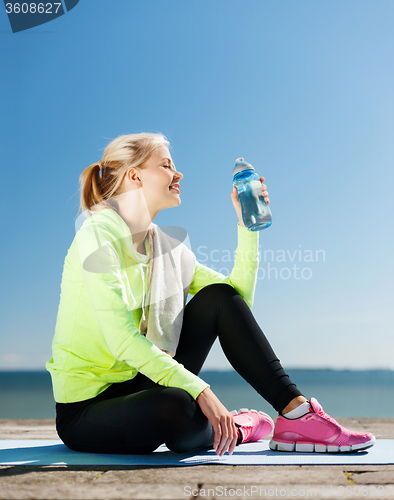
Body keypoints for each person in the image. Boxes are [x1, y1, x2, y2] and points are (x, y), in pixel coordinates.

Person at [46, 133, 375, 457]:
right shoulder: (98, 234)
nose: (179, 174)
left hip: (143, 379)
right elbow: (121, 339)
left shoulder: (165, 248)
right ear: (135, 175)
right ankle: (238, 427)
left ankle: (297, 416)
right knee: (174, 407)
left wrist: (248, 227)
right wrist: (201, 390)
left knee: (216, 297)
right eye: (166, 165)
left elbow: (235, 301)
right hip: (87, 410)